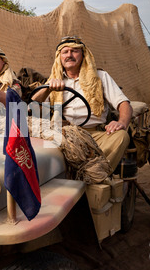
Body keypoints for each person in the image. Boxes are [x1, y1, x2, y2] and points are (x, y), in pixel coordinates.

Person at [32, 36, 133, 173]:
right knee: (35, 145)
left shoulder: (100, 77)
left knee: (121, 136)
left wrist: (121, 122)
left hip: (95, 135)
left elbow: (124, 104)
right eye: (65, 52)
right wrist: (47, 88)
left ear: (83, 54)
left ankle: (94, 175)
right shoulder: (54, 80)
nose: (69, 55)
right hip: (64, 133)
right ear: (59, 57)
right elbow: (33, 106)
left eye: (74, 51)